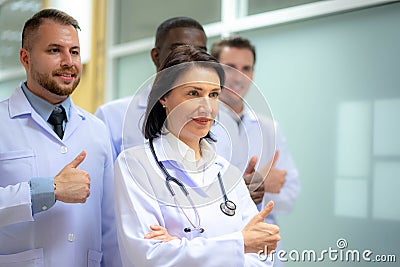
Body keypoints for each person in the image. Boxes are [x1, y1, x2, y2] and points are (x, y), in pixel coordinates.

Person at [114, 45, 280, 266]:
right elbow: (148, 257)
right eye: (193, 93)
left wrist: (181, 247)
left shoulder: (225, 171)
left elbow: (262, 256)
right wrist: (238, 245)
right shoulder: (135, 164)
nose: (206, 107)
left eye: (213, 95)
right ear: (164, 97)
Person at [0, 9, 121, 266]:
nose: (68, 61)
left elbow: (110, 226)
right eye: (55, 50)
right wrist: (48, 191)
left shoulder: (97, 129)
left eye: (74, 51)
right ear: (26, 57)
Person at [211, 35, 300, 266]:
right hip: (218, 245)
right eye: (230, 67)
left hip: (264, 251)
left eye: (246, 68)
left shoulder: (269, 128)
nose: (238, 76)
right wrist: (255, 185)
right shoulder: (200, 124)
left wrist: (257, 190)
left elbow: (290, 196)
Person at [95, 17, 207, 160]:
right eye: (179, 50)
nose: (191, 58)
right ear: (156, 56)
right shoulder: (112, 116)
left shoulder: (212, 118)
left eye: (200, 51)